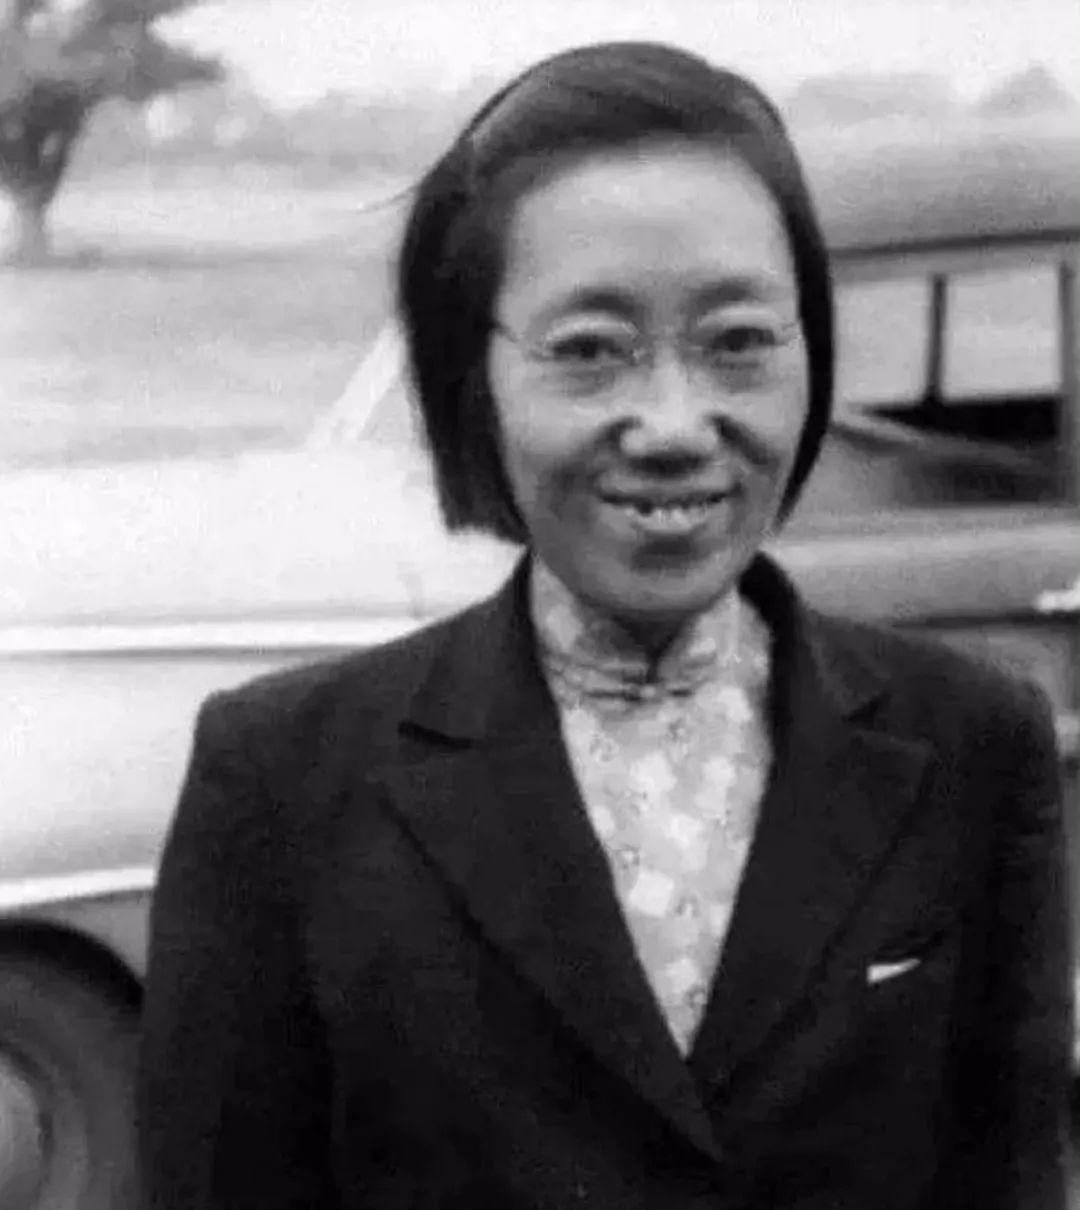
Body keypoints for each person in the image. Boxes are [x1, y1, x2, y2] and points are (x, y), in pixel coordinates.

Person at [137, 40, 1073, 1210]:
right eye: (589, 351)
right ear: (473, 377)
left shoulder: (974, 744)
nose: (675, 424)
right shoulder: (283, 779)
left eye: (738, 341)